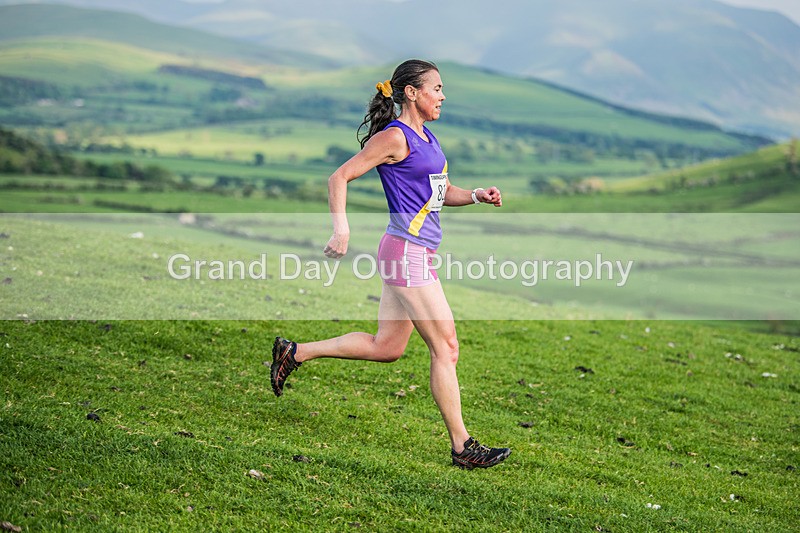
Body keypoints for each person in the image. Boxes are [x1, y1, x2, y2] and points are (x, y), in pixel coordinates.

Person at [271, 59, 510, 470]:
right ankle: (463, 446)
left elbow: (439, 193)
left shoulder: (428, 137)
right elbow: (339, 177)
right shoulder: (394, 137)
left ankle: (296, 352)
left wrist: (475, 195)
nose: (443, 96)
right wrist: (341, 230)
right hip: (406, 253)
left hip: (413, 252)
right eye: (437, 88)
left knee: (387, 348)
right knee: (446, 347)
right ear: (412, 93)